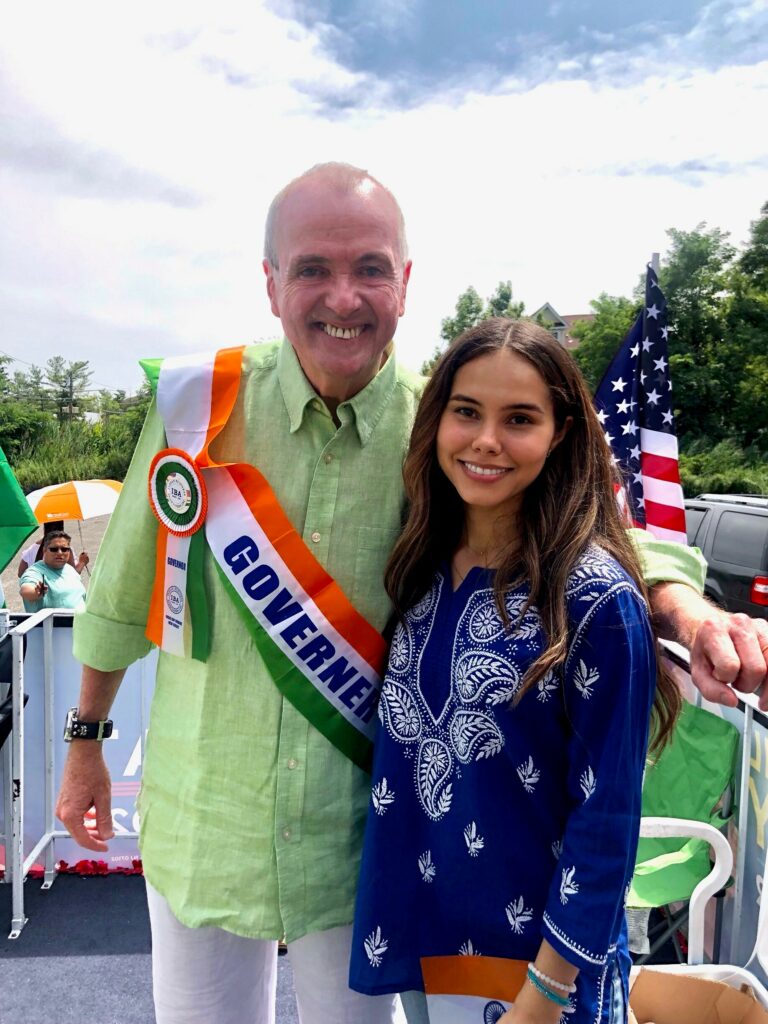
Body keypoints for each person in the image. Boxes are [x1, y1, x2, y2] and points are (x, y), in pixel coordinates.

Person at [55, 163, 768, 1024]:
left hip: (362, 846)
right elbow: (122, 587)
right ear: (272, 284)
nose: (343, 297)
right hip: (206, 818)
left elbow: (581, 516)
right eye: (313, 269)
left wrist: (687, 607)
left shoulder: (443, 419)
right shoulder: (196, 407)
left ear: (404, 283)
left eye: (370, 269)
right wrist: (86, 741)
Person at [350, 318, 679, 1022]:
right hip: (422, 946)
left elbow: (606, 818)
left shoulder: (595, 600)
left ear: (560, 434)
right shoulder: (417, 564)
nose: (486, 440)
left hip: (538, 977)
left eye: (520, 419)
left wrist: (545, 995)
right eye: (466, 411)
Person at [18, 530, 86, 613]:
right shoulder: (35, 571)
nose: (60, 553)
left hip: (81, 620)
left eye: (64, 549)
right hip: (52, 621)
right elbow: (25, 590)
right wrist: (36, 592)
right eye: (54, 549)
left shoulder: (70, 569)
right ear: (44, 550)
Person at [17, 521, 89, 577]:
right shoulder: (64, 549)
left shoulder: (31, 549)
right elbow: (72, 575)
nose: (59, 552)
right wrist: (82, 562)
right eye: (53, 549)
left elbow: (21, 574)